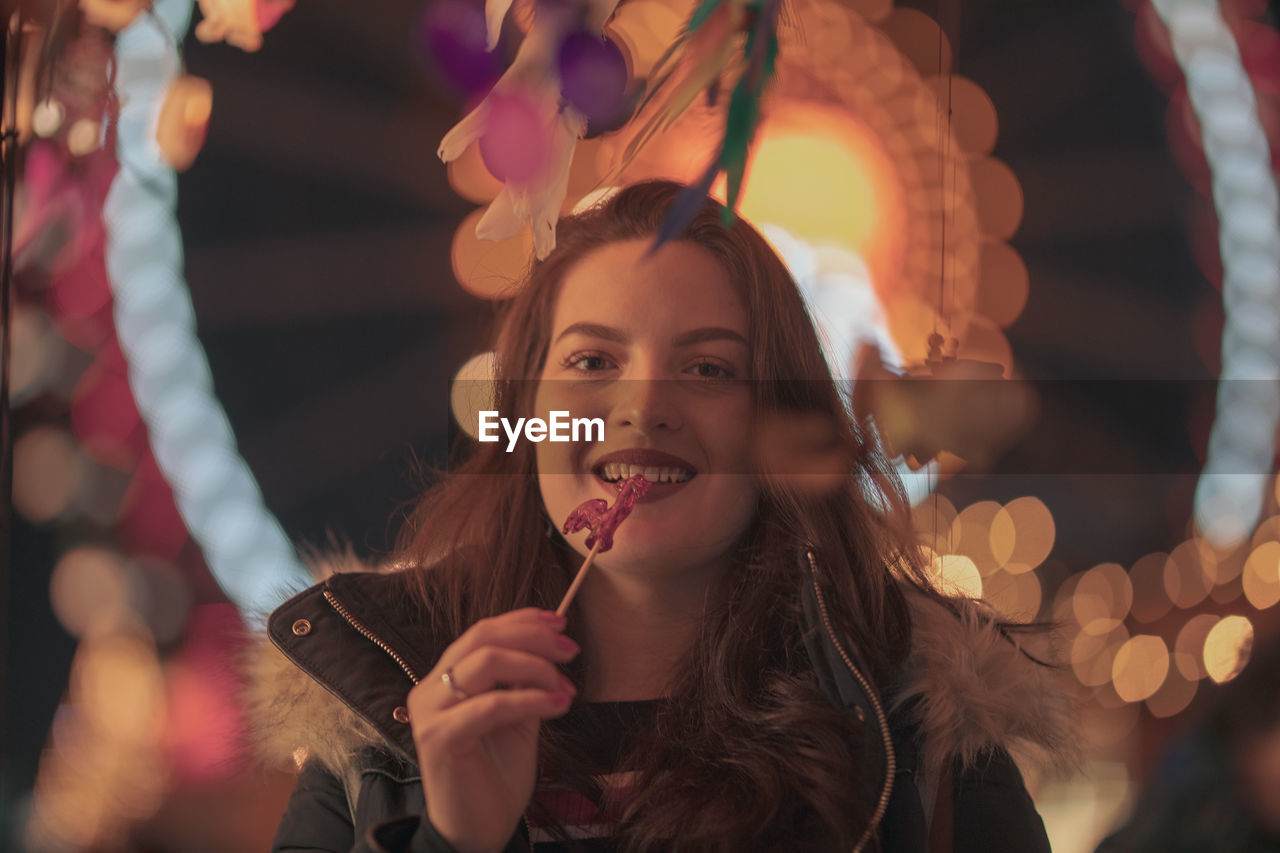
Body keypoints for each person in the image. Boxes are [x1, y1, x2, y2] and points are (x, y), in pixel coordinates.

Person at [246, 180, 1076, 853]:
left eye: (710, 367)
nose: (643, 405)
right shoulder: (380, 722)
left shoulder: (917, 734)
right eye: (593, 360)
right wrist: (451, 839)